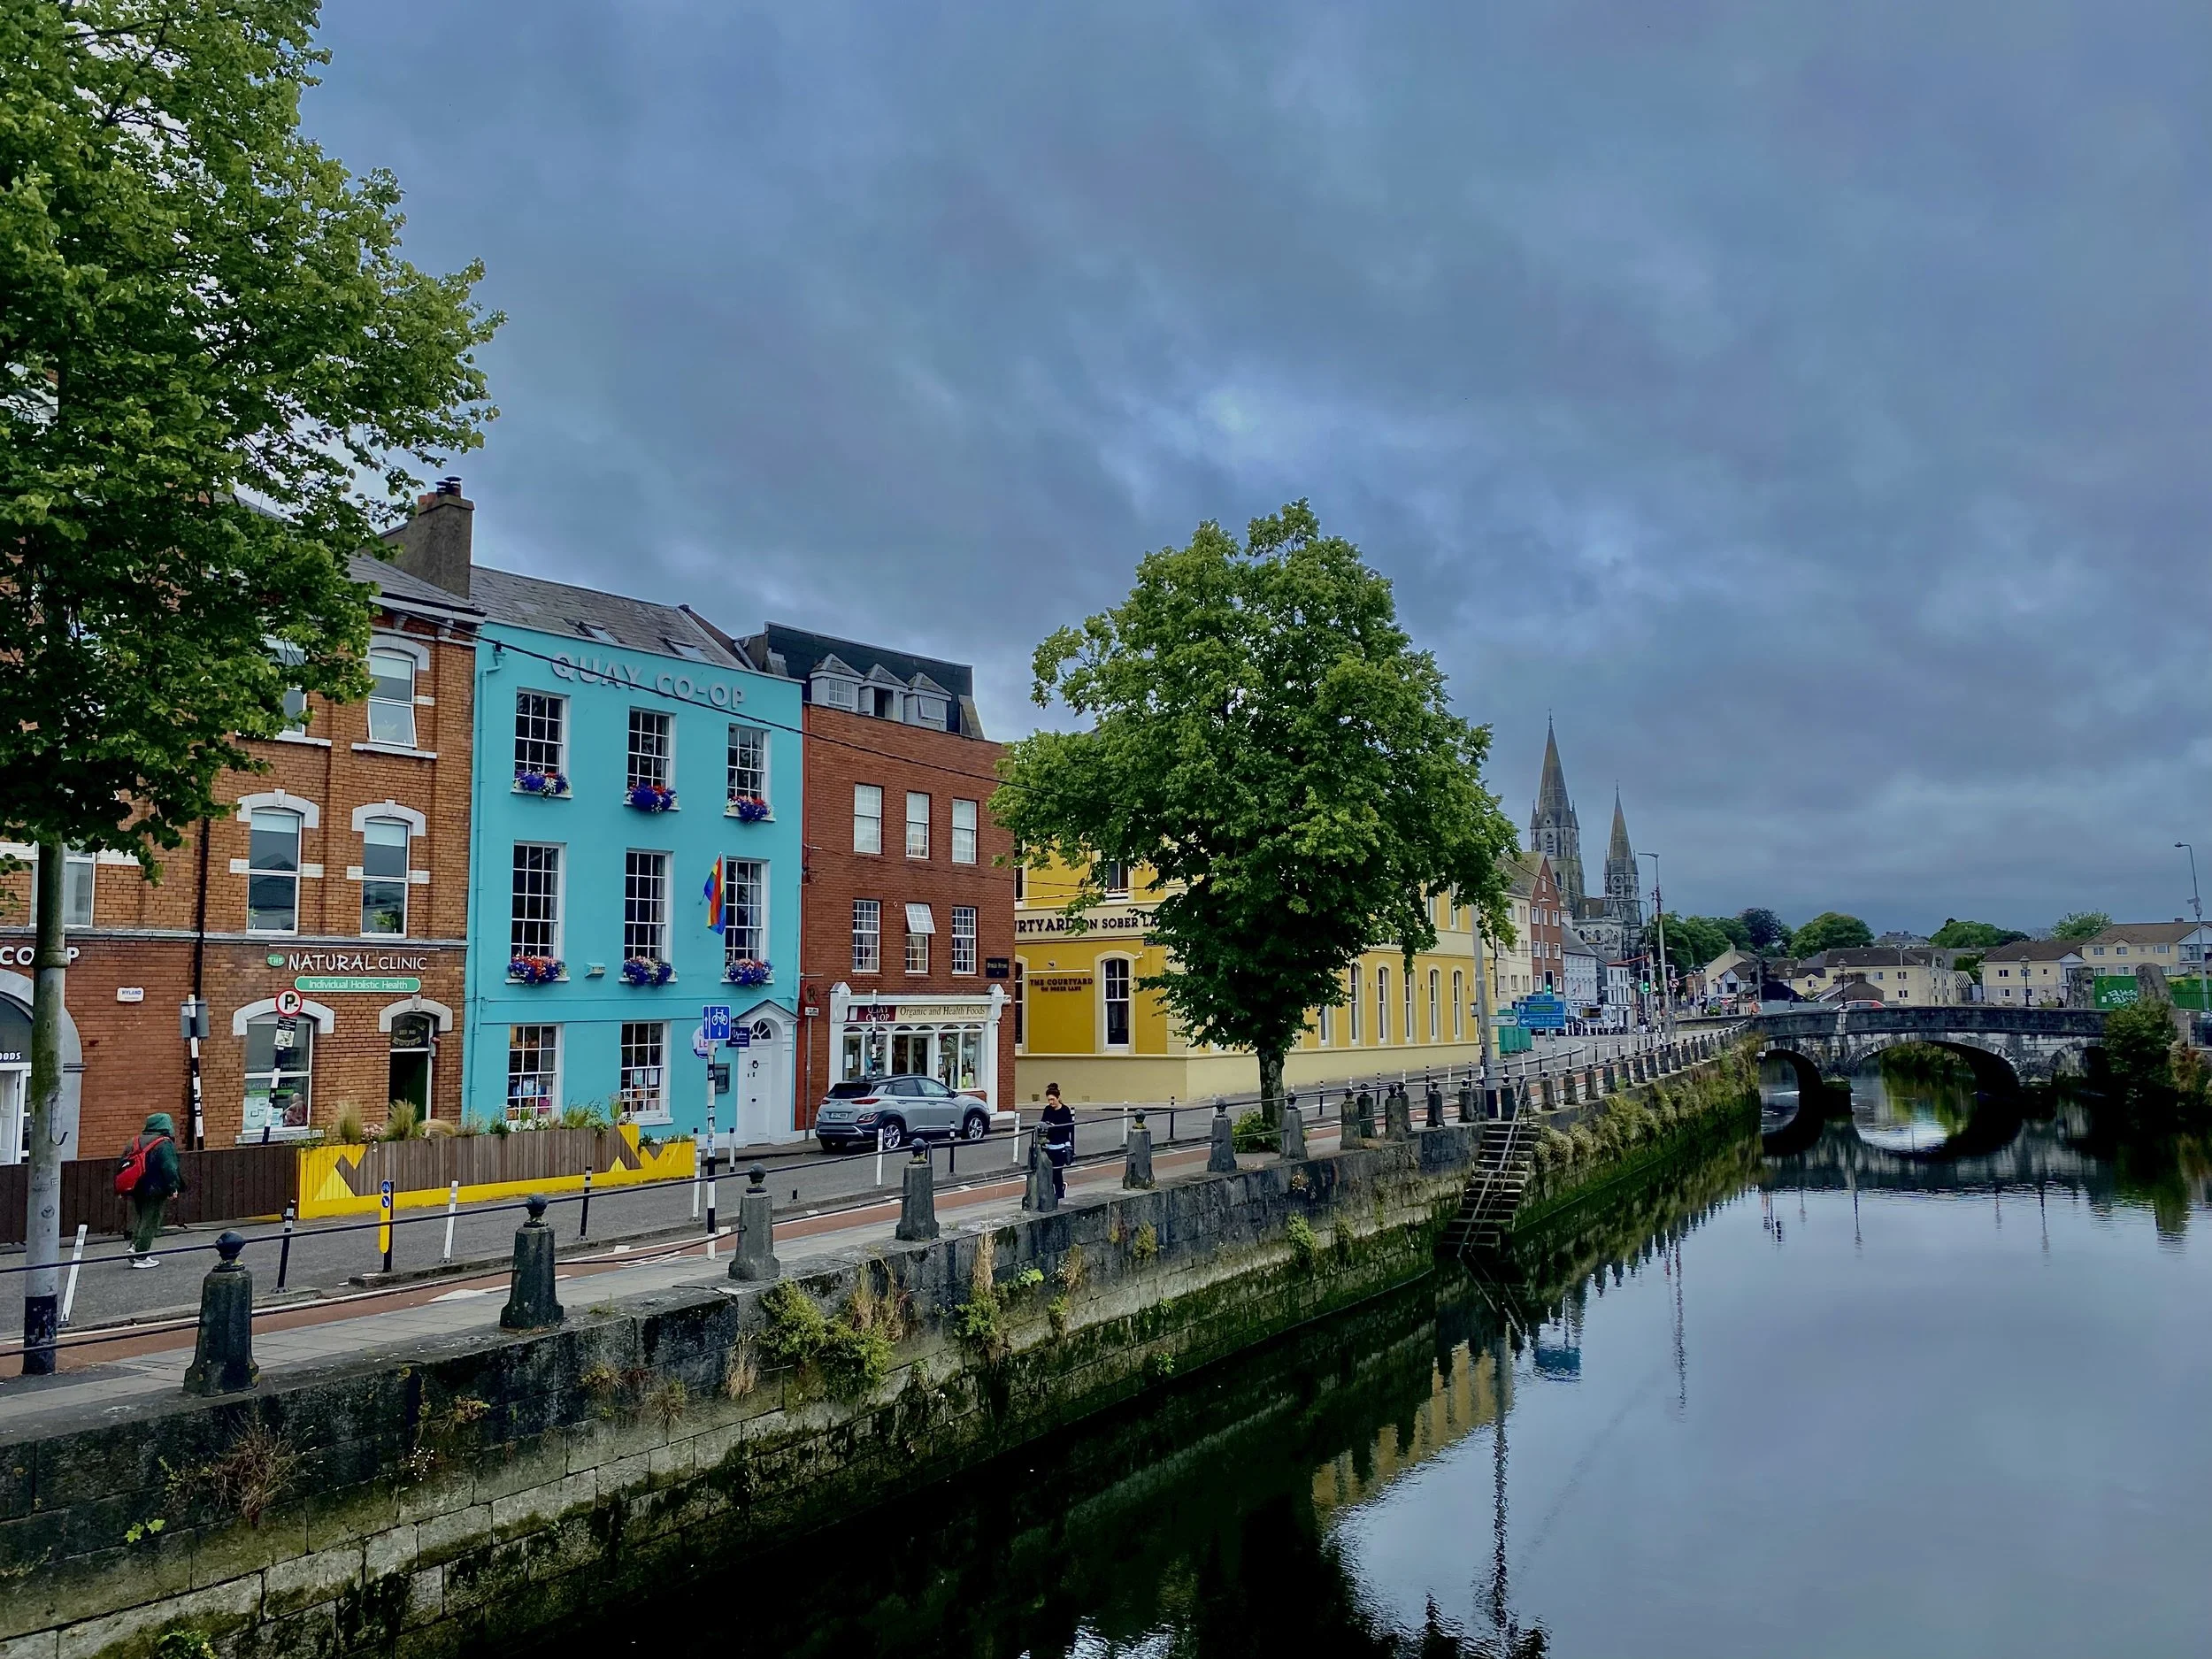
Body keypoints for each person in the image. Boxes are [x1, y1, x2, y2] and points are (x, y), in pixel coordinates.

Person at [120, 1111, 184, 1267]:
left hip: (135, 1186)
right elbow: (169, 1167)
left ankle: (134, 1246)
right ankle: (142, 1255)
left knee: (141, 1217)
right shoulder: (164, 1143)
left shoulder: (134, 1141)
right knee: (151, 1219)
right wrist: (173, 1187)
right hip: (155, 1188)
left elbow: (123, 1164)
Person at [1040, 1083, 1076, 1200]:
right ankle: (1054, 1191)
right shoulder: (1047, 1110)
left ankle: (1059, 1192)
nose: (1051, 1102)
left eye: (1053, 1099)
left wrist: (1055, 1127)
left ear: (1058, 1098)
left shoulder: (1065, 1111)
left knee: (1057, 1171)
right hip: (1049, 1144)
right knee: (1049, 1171)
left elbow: (1069, 1128)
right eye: (1049, 1100)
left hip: (1061, 1145)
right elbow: (1042, 1123)